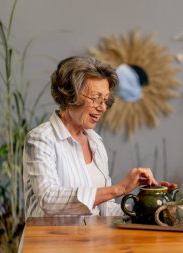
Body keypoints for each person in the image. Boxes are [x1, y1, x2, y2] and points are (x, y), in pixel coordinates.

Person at [23, 56, 173, 218]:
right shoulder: (40, 139)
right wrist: (119, 189)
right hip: (52, 242)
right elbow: (49, 200)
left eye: (105, 100)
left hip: (92, 242)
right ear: (70, 95)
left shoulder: (95, 142)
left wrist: (150, 208)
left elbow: (104, 209)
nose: (102, 108)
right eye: (95, 99)